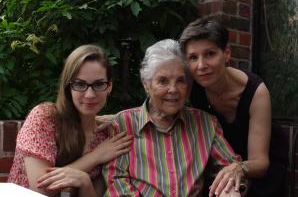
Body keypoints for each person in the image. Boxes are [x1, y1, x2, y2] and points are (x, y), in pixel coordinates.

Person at [102, 39, 245, 197]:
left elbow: (231, 167)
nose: (173, 90)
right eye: (163, 81)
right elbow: (116, 179)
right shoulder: (124, 123)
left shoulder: (205, 124)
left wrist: (233, 179)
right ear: (146, 84)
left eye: (180, 81)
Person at [8, 44, 133, 197]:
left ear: (110, 86)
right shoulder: (45, 118)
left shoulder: (105, 138)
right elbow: (40, 189)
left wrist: (85, 182)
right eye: (80, 84)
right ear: (68, 87)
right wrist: (96, 156)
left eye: (99, 84)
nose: (89, 94)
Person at [179, 18, 272, 197]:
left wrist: (239, 167)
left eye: (210, 54)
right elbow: (161, 106)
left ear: (227, 53)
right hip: (220, 159)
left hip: (255, 164)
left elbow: (261, 161)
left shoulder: (256, 92)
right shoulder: (192, 85)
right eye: (193, 57)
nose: (201, 65)